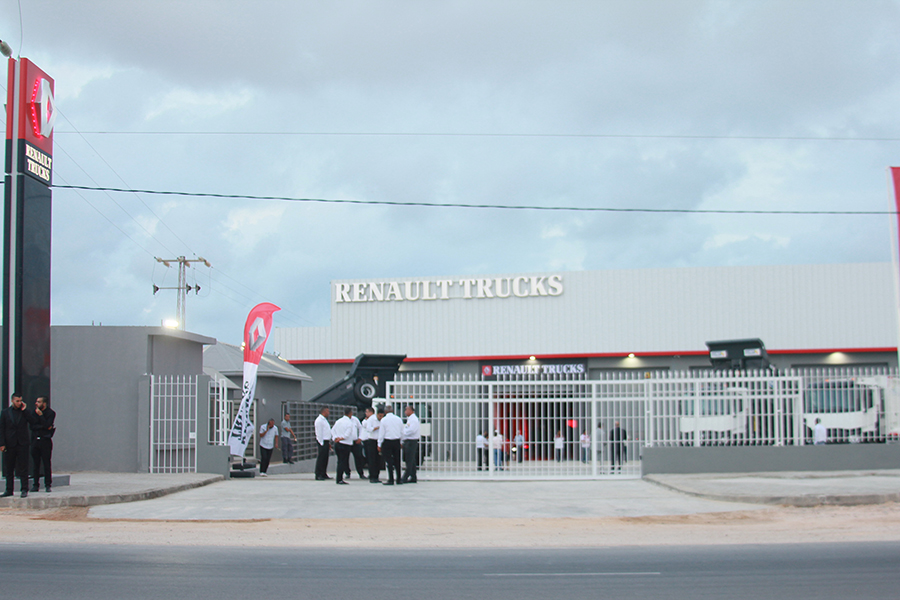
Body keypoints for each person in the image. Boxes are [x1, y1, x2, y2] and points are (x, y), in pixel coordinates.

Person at [0, 394, 32, 498]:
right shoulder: (5, 413)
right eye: (17, 401)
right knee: (9, 468)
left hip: (22, 443)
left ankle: (24, 489)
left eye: (20, 401)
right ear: (12, 400)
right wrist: (2, 443)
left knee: (23, 467)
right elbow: (2, 429)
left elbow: (32, 421)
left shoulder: (24, 412)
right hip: (10, 444)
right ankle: (9, 489)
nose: (19, 403)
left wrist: (25, 411)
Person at [30, 396, 55, 492]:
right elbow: (33, 426)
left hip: (45, 441)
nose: (36, 403)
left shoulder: (50, 413)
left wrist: (41, 416)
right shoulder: (33, 413)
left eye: (39, 402)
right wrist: (43, 426)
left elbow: (48, 425)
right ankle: (35, 484)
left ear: (44, 404)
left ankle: (48, 484)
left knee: (46, 463)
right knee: (36, 464)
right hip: (36, 440)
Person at [378, 404, 403, 485]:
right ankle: (399, 479)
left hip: (387, 442)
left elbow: (381, 433)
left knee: (388, 461)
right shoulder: (398, 419)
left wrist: (379, 444)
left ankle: (391, 479)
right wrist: (401, 442)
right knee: (397, 461)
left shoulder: (384, 420)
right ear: (392, 410)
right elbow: (402, 432)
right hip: (396, 441)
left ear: (385, 412)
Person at [331, 407, 355, 485]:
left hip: (338, 444)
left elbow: (333, 430)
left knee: (340, 461)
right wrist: (341, 438)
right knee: (343, 461)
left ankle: (339, 477)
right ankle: (340, 478)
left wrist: (335, 438)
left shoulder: (338, 421)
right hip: (345, 444)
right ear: (350, 413)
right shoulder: (349, 423)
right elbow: (347, 434)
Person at [400, 405, 420, 484]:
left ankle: (405, 477)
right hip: (408, 440)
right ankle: (413, 477)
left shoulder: (414, 419)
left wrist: (403, 433)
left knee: (409, 460)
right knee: (411, 460)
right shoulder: (410, 419)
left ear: (411, 410)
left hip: (411, 441)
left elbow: (411, 430)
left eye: (406, 410)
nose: (405, 412)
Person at [362, 407, 381, 483]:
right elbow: (368, 429)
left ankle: (376, 475)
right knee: (372, 459)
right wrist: (375, 428)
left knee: (377, 459)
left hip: (378, 440)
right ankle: (372, 476)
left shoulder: (380, 420)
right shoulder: (370, 420)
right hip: (372, 440)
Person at [347, 410, 366, 480]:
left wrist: (360, 438)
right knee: (345, 458)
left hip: (355, 441)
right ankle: (347, 473)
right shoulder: (343, 421)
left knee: (359, 457)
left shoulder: (355, 420)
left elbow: (361, 428)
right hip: (347, 441)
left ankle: (361, 473)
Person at [314, 407, 332, 480]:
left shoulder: (324, 420)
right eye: (328, 411)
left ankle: (323, 473)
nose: (329, 413)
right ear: (324, 411)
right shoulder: (319, 420)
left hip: (326, 441)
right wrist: (321, 443)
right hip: (322, 441)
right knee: (321, 458)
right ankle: (318, 474)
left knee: (325, 458)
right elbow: (319, 433)